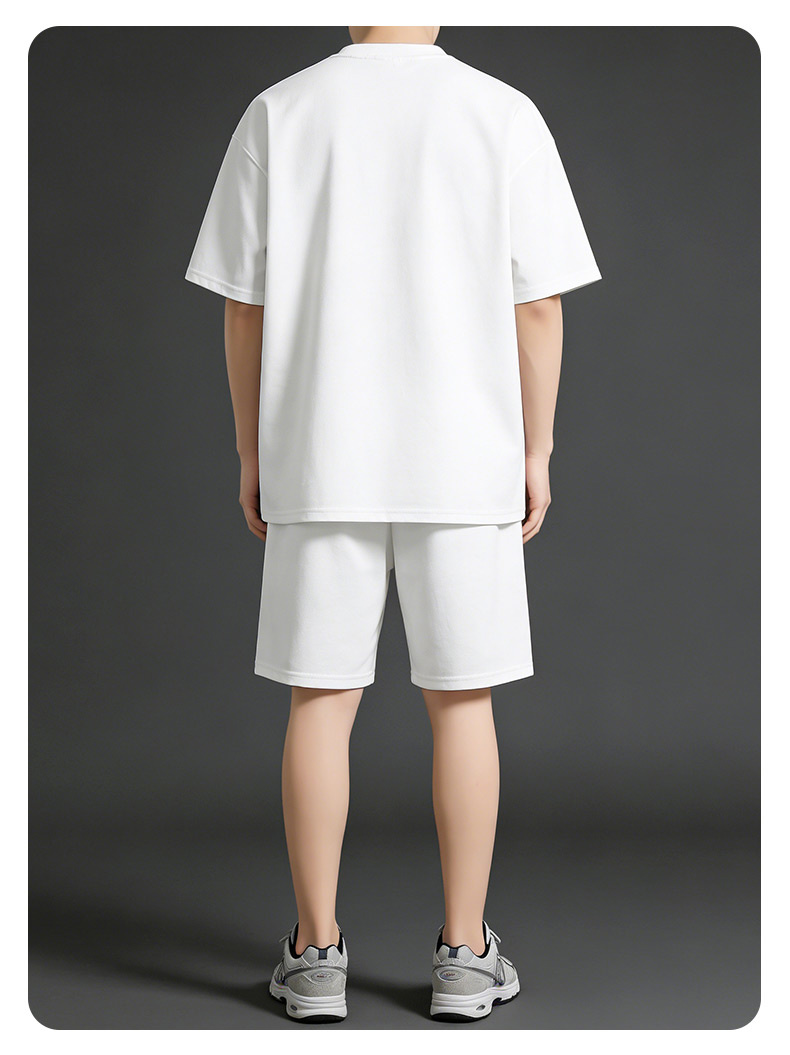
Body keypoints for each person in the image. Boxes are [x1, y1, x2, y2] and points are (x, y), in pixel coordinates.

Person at [185, 25, 601, 1023]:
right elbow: (538, 305)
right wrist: (537, 448)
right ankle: (464, 954)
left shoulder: (281, 111)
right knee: (462, 704)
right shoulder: (501, 112)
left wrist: (252, 449)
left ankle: (315, 954)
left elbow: (242, 306)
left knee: (320, 701)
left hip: (320, 453)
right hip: (465, 460)